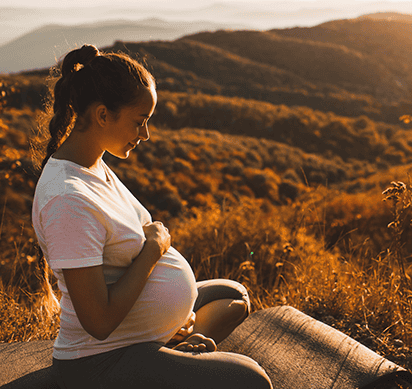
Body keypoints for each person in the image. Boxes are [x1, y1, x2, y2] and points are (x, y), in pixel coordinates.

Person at [31, 44, 273, 389]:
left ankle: (175, 342)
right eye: (139, 122)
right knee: (253, 380)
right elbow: (98, 322)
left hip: (135, 334)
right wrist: (153, 250)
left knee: (233, 295)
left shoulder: (93, 164)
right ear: (102, 115)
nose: (144, 134)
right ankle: (172, 351)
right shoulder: (67, 199)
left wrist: (168, 304)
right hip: (100, 362)